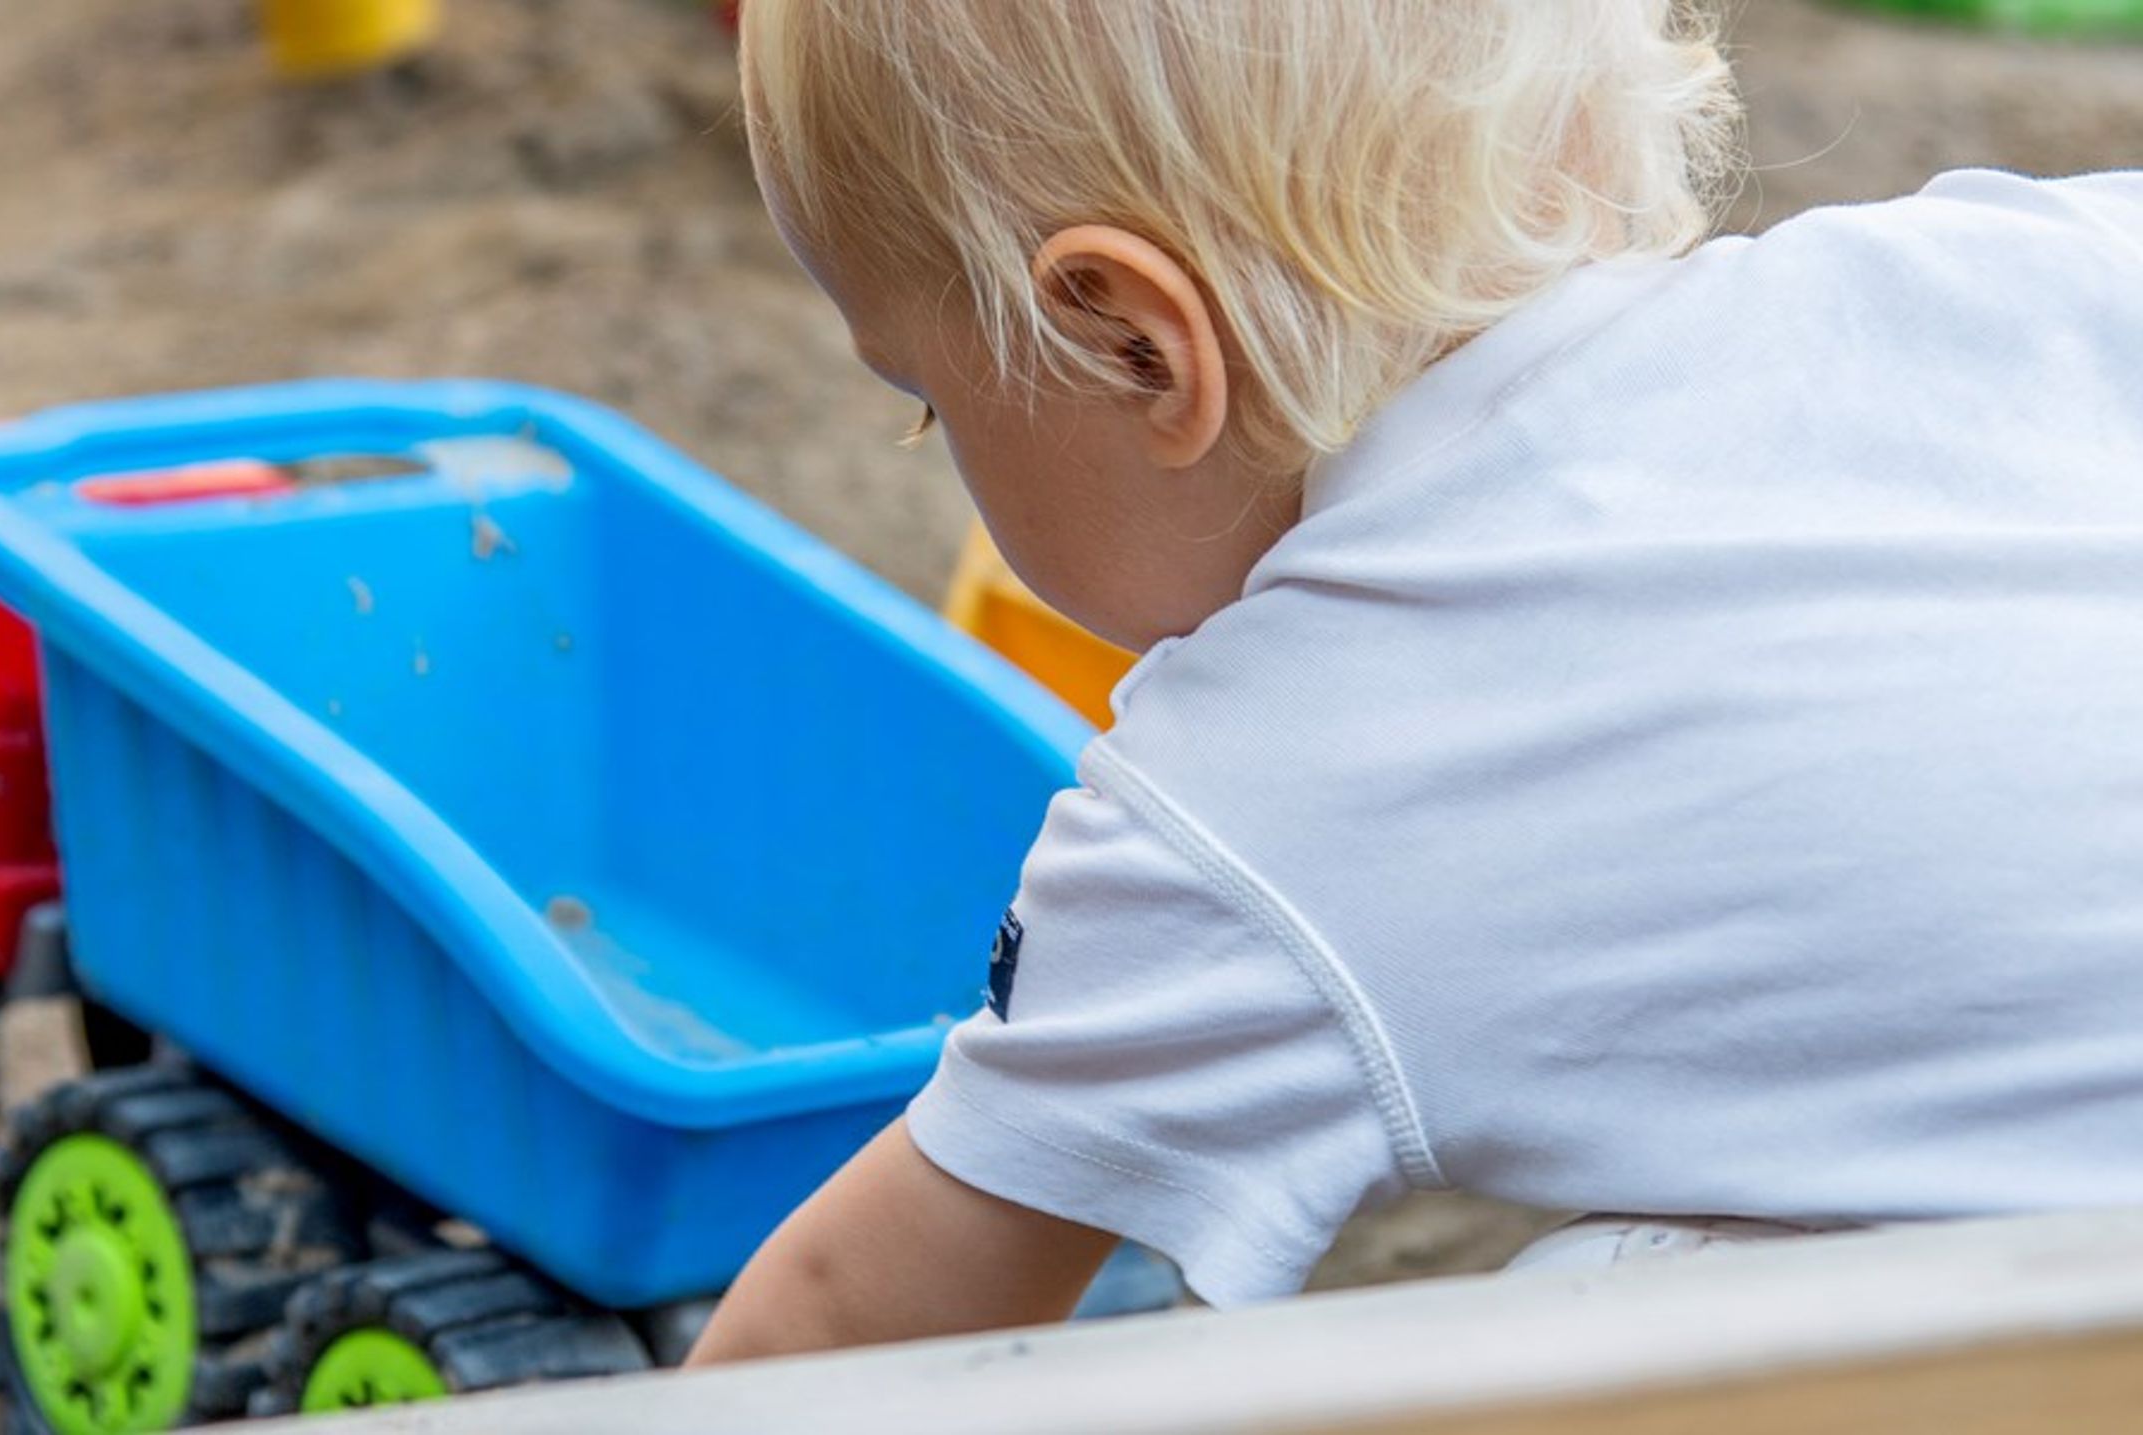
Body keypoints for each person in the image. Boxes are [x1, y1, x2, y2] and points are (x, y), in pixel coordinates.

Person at [691, 0, 2143, 1365]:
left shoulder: (1248, 804)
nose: (932, 432)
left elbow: (835, 1336)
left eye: (927, 399)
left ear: (1131, 340)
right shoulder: (1996, 263)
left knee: (1583, 1324)